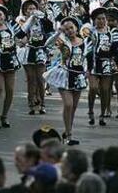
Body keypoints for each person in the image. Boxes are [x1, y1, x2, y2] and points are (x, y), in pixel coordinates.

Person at [44, 17, 90, 145]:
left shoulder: (84, 41)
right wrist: (58, 32)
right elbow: (47, 44)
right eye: (66, 28)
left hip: (79, 76)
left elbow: (87, 58)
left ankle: (67, 131)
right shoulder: (62, 41)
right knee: (68, 104)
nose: (69, 30)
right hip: (64, 75)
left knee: (73, 108)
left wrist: (87, 70)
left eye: (71, 27)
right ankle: (68, 135)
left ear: (76, 27)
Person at [17, 0, 53, 115]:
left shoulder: (42, 20)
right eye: (29, 9)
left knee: (41, 79)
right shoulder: (23, 21)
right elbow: (20, 35)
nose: (32, 11)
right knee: (31, 80)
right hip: (28, 52)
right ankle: (31, 104)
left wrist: (43, 17)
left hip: (41, 52)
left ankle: (42, 104)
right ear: (25, 11)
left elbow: (50, 30)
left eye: (34, 8)